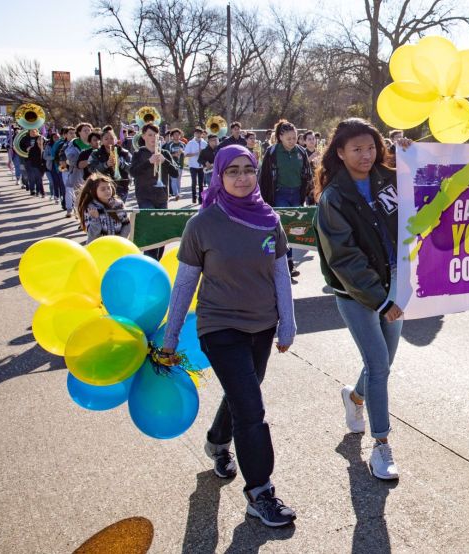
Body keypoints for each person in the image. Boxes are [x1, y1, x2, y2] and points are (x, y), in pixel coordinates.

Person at [159, 144, 296, 527]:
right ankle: (260, 492)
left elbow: (281, 274)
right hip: (219, 326)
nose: (242, 177)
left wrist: (287, 323)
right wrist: (170, 339)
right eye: (232, 170)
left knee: (243, 393)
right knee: (251, 407)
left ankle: (218, 441)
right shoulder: (201, 225)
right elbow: (184, 284)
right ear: (218, 176)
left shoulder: (269, 219)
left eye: (248, 169)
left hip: (262, 325)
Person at [314, 118, 407, 480]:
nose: (366, 155)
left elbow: (430, 190)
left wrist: (412, 157)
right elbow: (344, 259)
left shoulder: (389, 178)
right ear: (340, 153)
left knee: (384, 361)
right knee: (378, 365)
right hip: (355, 293)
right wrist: (380, 301)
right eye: (357, 149)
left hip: (394, 282)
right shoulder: (334, 198)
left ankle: (354, 398)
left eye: (371, 147)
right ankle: (381, 445)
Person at [258, 119, 313, 278]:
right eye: (288, 138)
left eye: (294, 138)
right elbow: (264, 177)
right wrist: (262, 199)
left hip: (297, 194)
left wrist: (309, 191)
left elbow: (307, 174)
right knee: (281, 228)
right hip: (279, 193)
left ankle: (289, 261)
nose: (292, 141)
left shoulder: (300, 152)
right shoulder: (272, 152)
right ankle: (280, 262)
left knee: (293, 228)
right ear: (280, 137)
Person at [131, 123, 179, 260]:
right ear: (144, 136)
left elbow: (175, 173)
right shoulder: (138, 154)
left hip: (162, 197)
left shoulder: (165, 153)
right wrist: (148, 162)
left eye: (155, 135)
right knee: (151, 230)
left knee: (160, 232)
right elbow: (133, 172)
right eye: (150, 135)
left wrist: (165, 162)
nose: (153, 138)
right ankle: (150, 260)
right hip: (144, 197)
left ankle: (157, 260)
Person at [77, 173, 131, 244]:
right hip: (99, 246)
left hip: (117, 245)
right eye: (103, 189)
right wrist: (95, 219)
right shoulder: (90, 208)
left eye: (109, 188)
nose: (107, 191)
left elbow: (126, 224)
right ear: (93, 191)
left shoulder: (118, 204)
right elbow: (92, 234)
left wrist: (121, 240)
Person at [91, 129, 132, 202]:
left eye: (112, 138)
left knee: (118, 207)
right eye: (106, 139)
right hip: (102, 187)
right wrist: (106, 164)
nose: (109, 140)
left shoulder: (124, 152)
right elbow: (92, 169)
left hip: (122, 186)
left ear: (115, 139)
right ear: (101, 140)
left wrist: (121, 164)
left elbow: (132, 169)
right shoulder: (95, 154)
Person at [65, 122, 93, 215]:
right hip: (78, 174)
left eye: (89, 130)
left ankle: (88, 215)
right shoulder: (74, 143)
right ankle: (81, 214)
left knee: (92, 196)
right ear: (79, 132)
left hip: (92, 173)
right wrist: (81, 162)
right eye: (85, 130)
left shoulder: (94, 142)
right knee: (80, 196)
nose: (87, 132)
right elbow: (70, 157)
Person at [20, 129, 46, 197]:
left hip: (39, 160)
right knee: (31, 175)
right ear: (29, 132)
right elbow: (20, 146)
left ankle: (39, 191)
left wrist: (41, 144)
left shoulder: (40, 138)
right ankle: (32, 190)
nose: (33, 133)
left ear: (37, 132)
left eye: (35, 131)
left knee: (38, 177)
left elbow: (45, 145)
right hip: (28, 159)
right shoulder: (25, 138)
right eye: (32, 131)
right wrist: (26, 149)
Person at [184, 127, 207, 204]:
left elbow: (207, 154)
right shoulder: (190, 143)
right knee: (194, 182)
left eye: (200, 133)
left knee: (201, 183)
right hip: (193, 166)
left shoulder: (204, 143)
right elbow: (186, 154)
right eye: (197, 133)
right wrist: (196, 153)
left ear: (202, 134)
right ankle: (194, 197)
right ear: (194, 134)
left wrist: (203, 154)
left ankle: (201, 199)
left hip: (201, 166)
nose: (198, 135)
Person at [163, 128, 185, 200]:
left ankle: (178, 193)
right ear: (172, 136)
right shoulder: (169, 144)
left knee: (179, 180)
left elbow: (186, 153)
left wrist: (182, 152)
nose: (177, 136)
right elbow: (166, 154)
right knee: (174, 179)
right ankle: (176, 194)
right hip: (172, 165)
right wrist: (174, 155)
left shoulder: (183, 144)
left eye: (178, 134)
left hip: (180, 164)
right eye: (175, 134)